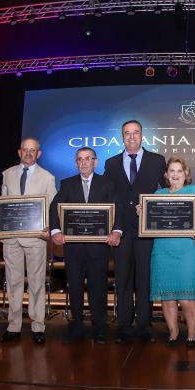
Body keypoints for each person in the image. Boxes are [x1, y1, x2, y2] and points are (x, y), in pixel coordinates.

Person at [50, 147, 122, 343]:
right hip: (73, 248)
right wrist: (55, 231)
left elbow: (117, 209)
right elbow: (54, 207)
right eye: (80, 159)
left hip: (98, 248)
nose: (83, 162)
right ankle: (76, 327)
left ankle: (99, 328)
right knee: (74, 289)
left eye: (88, 158)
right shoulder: (67, 184)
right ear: (76, 163)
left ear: (95, 162)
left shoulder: (107, 184)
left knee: (98, 289)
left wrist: (117, 231)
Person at [104, 120, 166, 343]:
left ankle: (144, 325)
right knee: (122, 279)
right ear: (122, 137)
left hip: (146, 230)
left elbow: (166, 192)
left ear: (142, 135)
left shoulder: (157, 161)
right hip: (120, 230)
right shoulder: (111, 163)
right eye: (127, 133)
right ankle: (124, 324)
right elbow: (108, 196)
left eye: (135, 133)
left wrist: (152, 209)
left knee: (144, 279)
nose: (131, 137)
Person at [0, 138, 57, 344]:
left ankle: (38, 326)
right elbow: (4, 204)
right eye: (25, 150)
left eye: (33, 150)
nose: (29, 153)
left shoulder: (47, 177)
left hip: (36, 239)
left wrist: (48, 228)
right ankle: (13, 326)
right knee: (12, 283)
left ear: (39, 154)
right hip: (11, 239)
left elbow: (52, 208)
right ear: (19, 152)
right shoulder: (7, 174)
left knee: (36, 283)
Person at [147, 158, 195, 347]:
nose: (175, 175)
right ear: (166, 174)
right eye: (171, 171)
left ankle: (192, 332)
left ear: (186, 174)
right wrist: (143, 211)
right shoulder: (158, 194)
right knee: (167, 297)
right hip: (163, 249)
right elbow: (151, 219)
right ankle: (173, 332)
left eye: (179, 171)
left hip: (189, 251)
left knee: (187, 297)